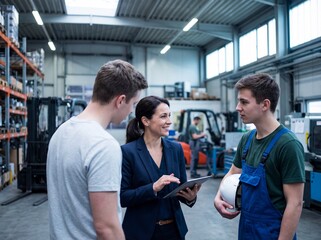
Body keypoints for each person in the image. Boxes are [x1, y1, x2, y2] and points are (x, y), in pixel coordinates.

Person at [46, 60, 148, 239]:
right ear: (121, 100)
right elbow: (106, 227)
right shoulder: (103, 145)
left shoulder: (61, 132)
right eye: (133, 104)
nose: (131, 111)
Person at [214, 73, 305, 239]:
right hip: (247, 228)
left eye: (244, 102)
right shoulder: (247, 139)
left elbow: (295, 203)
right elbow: (234, 172)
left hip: (273, 231)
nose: (237, 107)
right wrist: (218, 197)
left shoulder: (288, 145)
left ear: (265, 105)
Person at [121, 95, 201, 240]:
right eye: (163, 116)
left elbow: (180, 187)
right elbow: (123, 197)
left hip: (173, 231)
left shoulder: (175, 149)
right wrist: (153, 187)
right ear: (145, 121)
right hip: (141, 232)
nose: (169, 121)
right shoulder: (128, 152)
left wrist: (190, 197)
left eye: (169, 116)